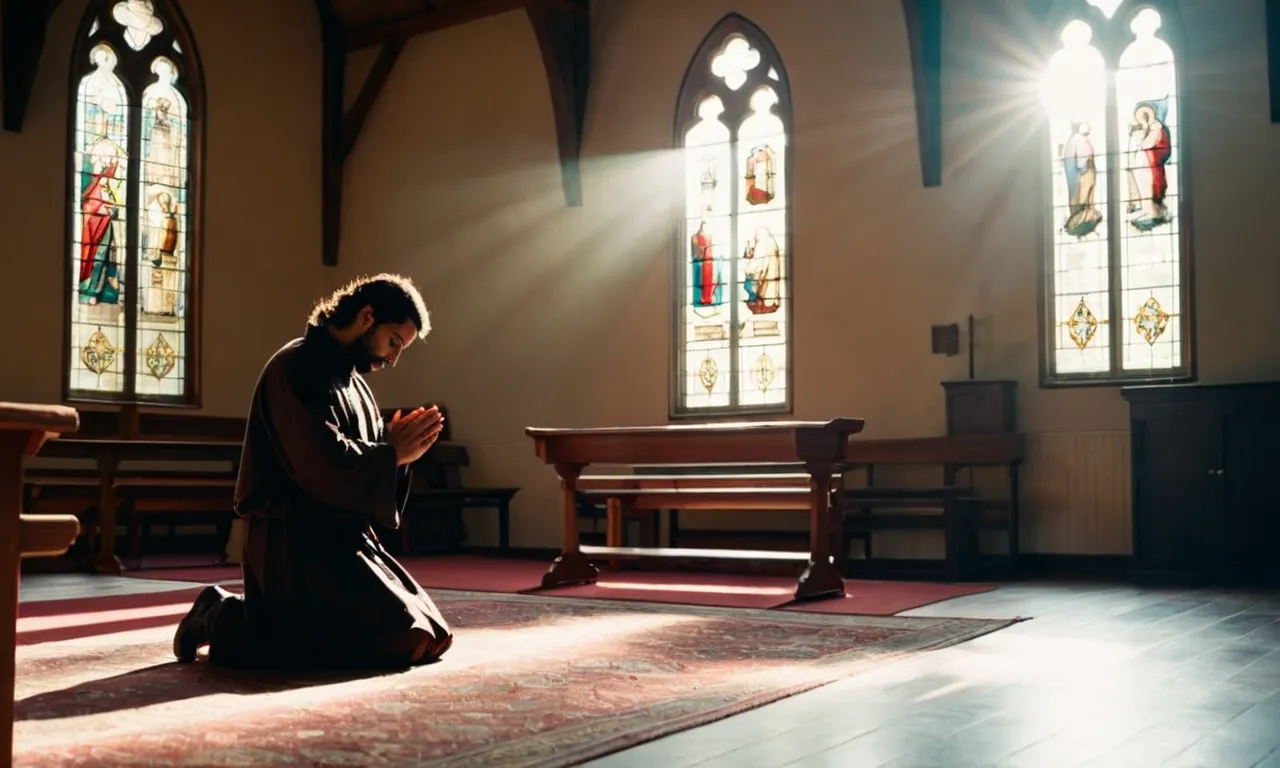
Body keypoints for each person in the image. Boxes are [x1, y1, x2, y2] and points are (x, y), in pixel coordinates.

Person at [172, 273, 454, 669]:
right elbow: (319, 463)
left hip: (341, 538)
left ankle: (252, 619)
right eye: (393, 342)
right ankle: (221, 615)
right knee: (396, 638)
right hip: (293, 539)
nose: (392, 359)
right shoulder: (297, 366)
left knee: (431, 634)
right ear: (366, 316)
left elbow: (366, 463)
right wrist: (391, 455)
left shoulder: (354, 382)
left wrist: (397, 454)